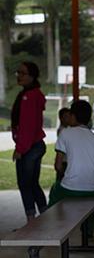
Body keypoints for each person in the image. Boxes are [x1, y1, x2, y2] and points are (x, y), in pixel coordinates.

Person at [49, 100, 94, 235]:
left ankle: (53, 227)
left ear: (73, 116)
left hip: (70, 189)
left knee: (55, 191)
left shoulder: (65, 133)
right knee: (90, 204)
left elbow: (58, 165)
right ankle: (88, 232)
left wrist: (66, 175)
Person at [11, 61, 47, 222]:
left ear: (32, 76)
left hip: (30, 147)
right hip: (34, 146)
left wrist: (20, 148)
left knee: (25, 184)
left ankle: (32, 222)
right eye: (18, 72)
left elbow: (28, 125)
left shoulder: (29, 96)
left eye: (22, 73)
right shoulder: (30, 94)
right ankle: (44, 218)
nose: (19, 75)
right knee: (32, 183)